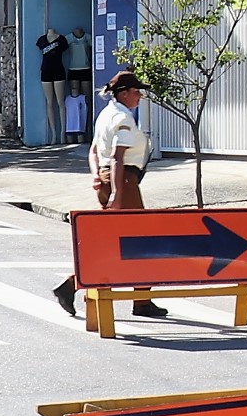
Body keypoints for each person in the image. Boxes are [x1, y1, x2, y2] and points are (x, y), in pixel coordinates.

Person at [52, 71, 166, 319]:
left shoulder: (106, 114)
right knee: (141, 242)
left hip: (112, 179)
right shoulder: (122, 117)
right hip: (123, 180)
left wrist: (96, 176)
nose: (139, 96)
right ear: (123, 93)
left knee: (113, 241)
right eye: (136, 92)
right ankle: (141, 301)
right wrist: (116, 192)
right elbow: (118, 158)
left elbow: (93, 151)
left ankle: (73, 285)